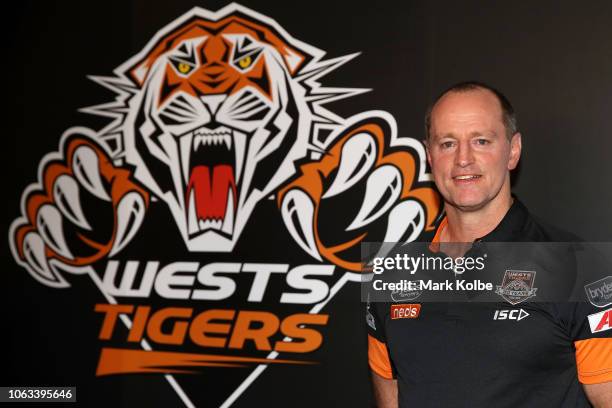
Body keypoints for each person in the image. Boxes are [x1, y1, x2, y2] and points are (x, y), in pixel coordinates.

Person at [367, 81, 612, 407]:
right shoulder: (395, 268)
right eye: (448, 143)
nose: (463, 159)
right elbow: (390, 393)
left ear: (513, 150)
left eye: (481, 141)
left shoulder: (579, 267)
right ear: (429, 155)